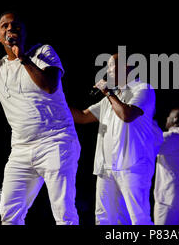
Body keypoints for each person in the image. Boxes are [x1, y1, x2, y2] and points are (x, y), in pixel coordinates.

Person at [0, 11, 81, 225]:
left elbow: (50, 86)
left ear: (24, 32)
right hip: (21, 149)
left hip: (57, 142)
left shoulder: (42, 52)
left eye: (16, 26)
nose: (10, 29)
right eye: (4, 26)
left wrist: (22, 57)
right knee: (9, 213)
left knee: (64, 213)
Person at [70, 53, 163, 225]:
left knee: (138, 217)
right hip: (107, 168)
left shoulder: (143, 89)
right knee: (104, 218)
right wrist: (56, 101)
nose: (108, 70)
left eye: (112, 65)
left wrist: (108, 92)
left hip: (133, 165)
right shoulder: (109, 99)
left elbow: (127, 115)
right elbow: (82, 117)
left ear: (127, 67)